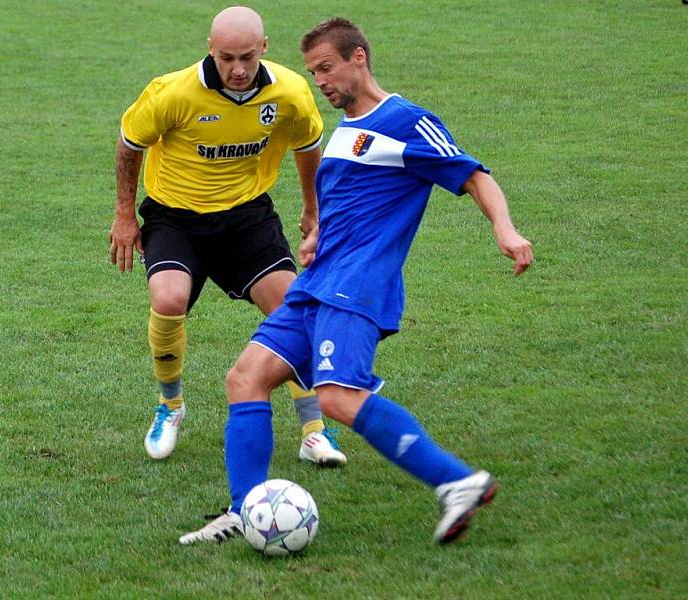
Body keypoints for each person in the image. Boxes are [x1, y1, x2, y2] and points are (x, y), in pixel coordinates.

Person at [179, 18, 534, 546]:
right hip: (317, 282)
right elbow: (352, 203)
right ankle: (243, 510)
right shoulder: (347, 128)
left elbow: (474, 175)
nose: (319, 81)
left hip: (357, 287)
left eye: (326, 68)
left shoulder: (406, 121)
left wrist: (505, 229)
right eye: (312, 72)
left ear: (359, 57)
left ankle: (458, 481)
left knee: (338, 397)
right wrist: (318, 235)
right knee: (245, 379)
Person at [109, 6, 346, 467]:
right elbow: (129, 144)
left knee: (294, 305)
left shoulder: (290, 92)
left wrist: (313, 211)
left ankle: (314, 428)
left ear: (264, 48)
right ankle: (171, 407)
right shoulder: (172, 92)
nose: (238, 70)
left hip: (246, 217)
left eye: (247, 58)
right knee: (169, 297)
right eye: (226, 58)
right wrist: (124, 213)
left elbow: (307, 145)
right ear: (210, 50)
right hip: (174, 217)